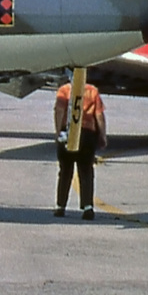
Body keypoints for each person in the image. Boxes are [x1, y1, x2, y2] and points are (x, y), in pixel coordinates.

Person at [53, 77, 106, 219]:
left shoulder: (64, 91)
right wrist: (102, 136)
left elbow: (59, 111)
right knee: (86, 170)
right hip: (87, 134)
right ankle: (87, 207)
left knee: (65, 170)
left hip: (68, 132)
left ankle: (60, 206)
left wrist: (58, 132)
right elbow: (99, 115)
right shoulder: (92, 91)